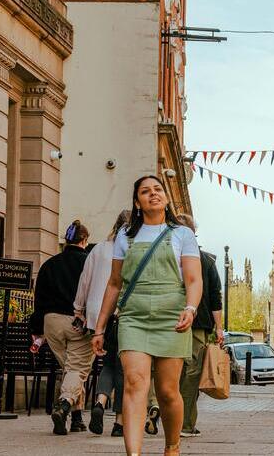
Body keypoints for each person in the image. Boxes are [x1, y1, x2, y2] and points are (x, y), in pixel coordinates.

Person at [92, 175, 202, 456]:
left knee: (167, 391)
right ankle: (134, 454)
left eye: (157, 189)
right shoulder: (125, 235)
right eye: (145, 191)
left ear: (165, 197)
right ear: (138, 202)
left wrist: (190, 308)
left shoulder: (182, 234)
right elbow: (115, 283)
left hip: (172, 319)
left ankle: (172, 447)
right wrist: (100, 327)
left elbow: (193, 279)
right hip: (134, 318)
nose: (153, 194)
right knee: (134, 383)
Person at [31, 220, 93, 435]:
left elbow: (38, 298)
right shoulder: (89, 262)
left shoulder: (49, 264)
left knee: (69, 370)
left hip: (51, 322)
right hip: (78, 322)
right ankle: (64, 404)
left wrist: (37, 329)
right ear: (84, 240)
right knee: (77, 369)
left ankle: (76, 418)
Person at [77, 211, 131, 436]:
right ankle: (119, 423)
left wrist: (78, 309)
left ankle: (99, 402)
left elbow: (84, 279)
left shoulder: (99, 248)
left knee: (108, 364)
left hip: (97, 313)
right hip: (121, 313)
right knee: (124, 369)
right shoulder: (133, 248)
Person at [176, 215, 223, 438]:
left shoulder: (168, 255)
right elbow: (215, 298)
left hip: (169, 321)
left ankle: (157, 412)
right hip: (198, 325)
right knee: (191, 375)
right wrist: (219, 329)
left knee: (167, 371)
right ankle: (184, 423)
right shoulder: (206, 261)